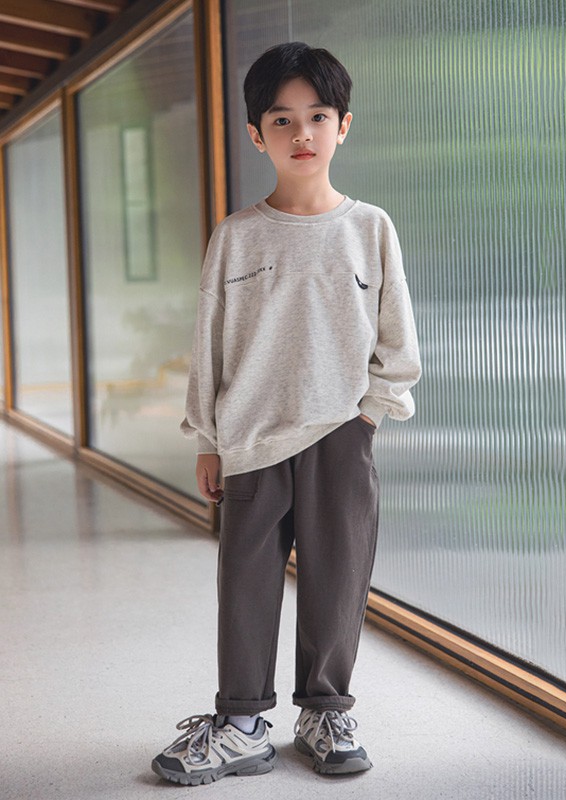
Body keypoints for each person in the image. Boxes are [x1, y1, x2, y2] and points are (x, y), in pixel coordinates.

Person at [151, 41, 421, 786]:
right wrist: (208, 439)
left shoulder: (372, 228)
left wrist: (370, 415)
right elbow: (209, 344)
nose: (302, 133)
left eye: (318, 116)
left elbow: (397, 341)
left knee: (338, 578)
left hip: (341, 434)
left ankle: (325, 711)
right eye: (282, 119)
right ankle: (241, 724)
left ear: (344, 126)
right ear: (256, 134)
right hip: (250, 440)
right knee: (245, 581)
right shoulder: (236, 235)